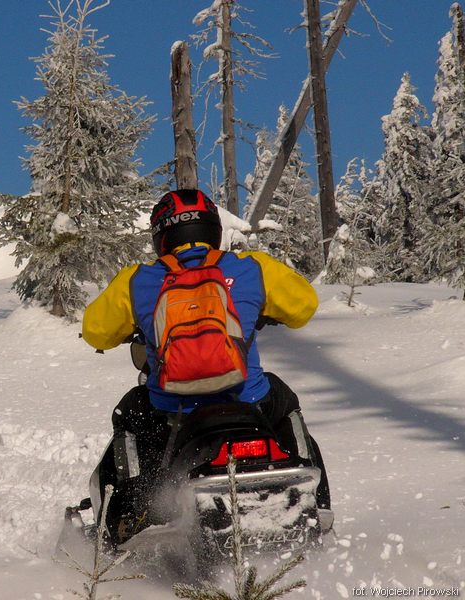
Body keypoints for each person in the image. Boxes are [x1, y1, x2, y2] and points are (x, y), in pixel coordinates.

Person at [81, 189, 330, 540]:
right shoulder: (250, 267)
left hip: (173, 410)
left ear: (161, 236)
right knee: (283, 399)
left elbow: (95, 332)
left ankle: (130, 518)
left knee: (131, 413)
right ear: (213, 229)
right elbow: (304, 305)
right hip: (248, 401)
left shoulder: (137, 281)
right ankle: (318, 504)